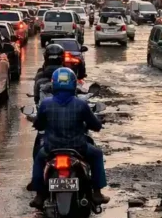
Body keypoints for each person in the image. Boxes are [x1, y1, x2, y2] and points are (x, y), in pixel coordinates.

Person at [30, 67, 109, 208]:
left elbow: (39, 124)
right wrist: (96, 125)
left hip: (51, 148)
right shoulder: (81, 104)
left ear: (54, 84)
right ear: (73, 84)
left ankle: (39, 195)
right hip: (78, 147)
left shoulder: (46, 104)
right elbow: (95, 125)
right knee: (97, 155)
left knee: (39, 158)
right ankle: (97, 193)